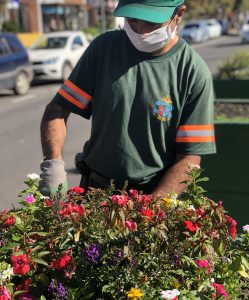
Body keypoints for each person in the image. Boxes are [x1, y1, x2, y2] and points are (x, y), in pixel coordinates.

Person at [39, 0, 216, 197]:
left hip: (153, 193)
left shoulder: (192, 72)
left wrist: (152, 209)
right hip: (95, 190)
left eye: (152, 23)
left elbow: (190, 158)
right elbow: (57, 109)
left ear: (179, 14)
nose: (141, 31)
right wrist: (53, 164)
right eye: (132, 20)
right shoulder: (103, 49)